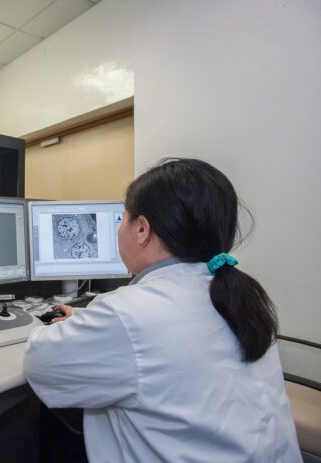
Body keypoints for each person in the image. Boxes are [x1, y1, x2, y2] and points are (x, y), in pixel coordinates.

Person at [24, 158, 301, 462]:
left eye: (122, 220)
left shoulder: (128, 312)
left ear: (142, 229)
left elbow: (42, 363)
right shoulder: (240, 298)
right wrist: (89, 323)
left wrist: (50, 325)